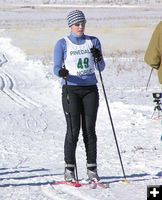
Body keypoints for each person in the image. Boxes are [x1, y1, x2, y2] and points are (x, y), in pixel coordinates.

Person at [54, 9, 105, 182]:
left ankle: (92, 169)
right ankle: (69, 169)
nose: (80, 26)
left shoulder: (93, 41)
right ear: (70, 25)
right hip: (71, 90)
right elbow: (55, 68)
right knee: (73, 130)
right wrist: (61, 72)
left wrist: (98, 58)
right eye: (77, 24)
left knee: (89, 130)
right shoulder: (62, 43)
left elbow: (101, 68)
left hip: (90, 89)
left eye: (83, 23)